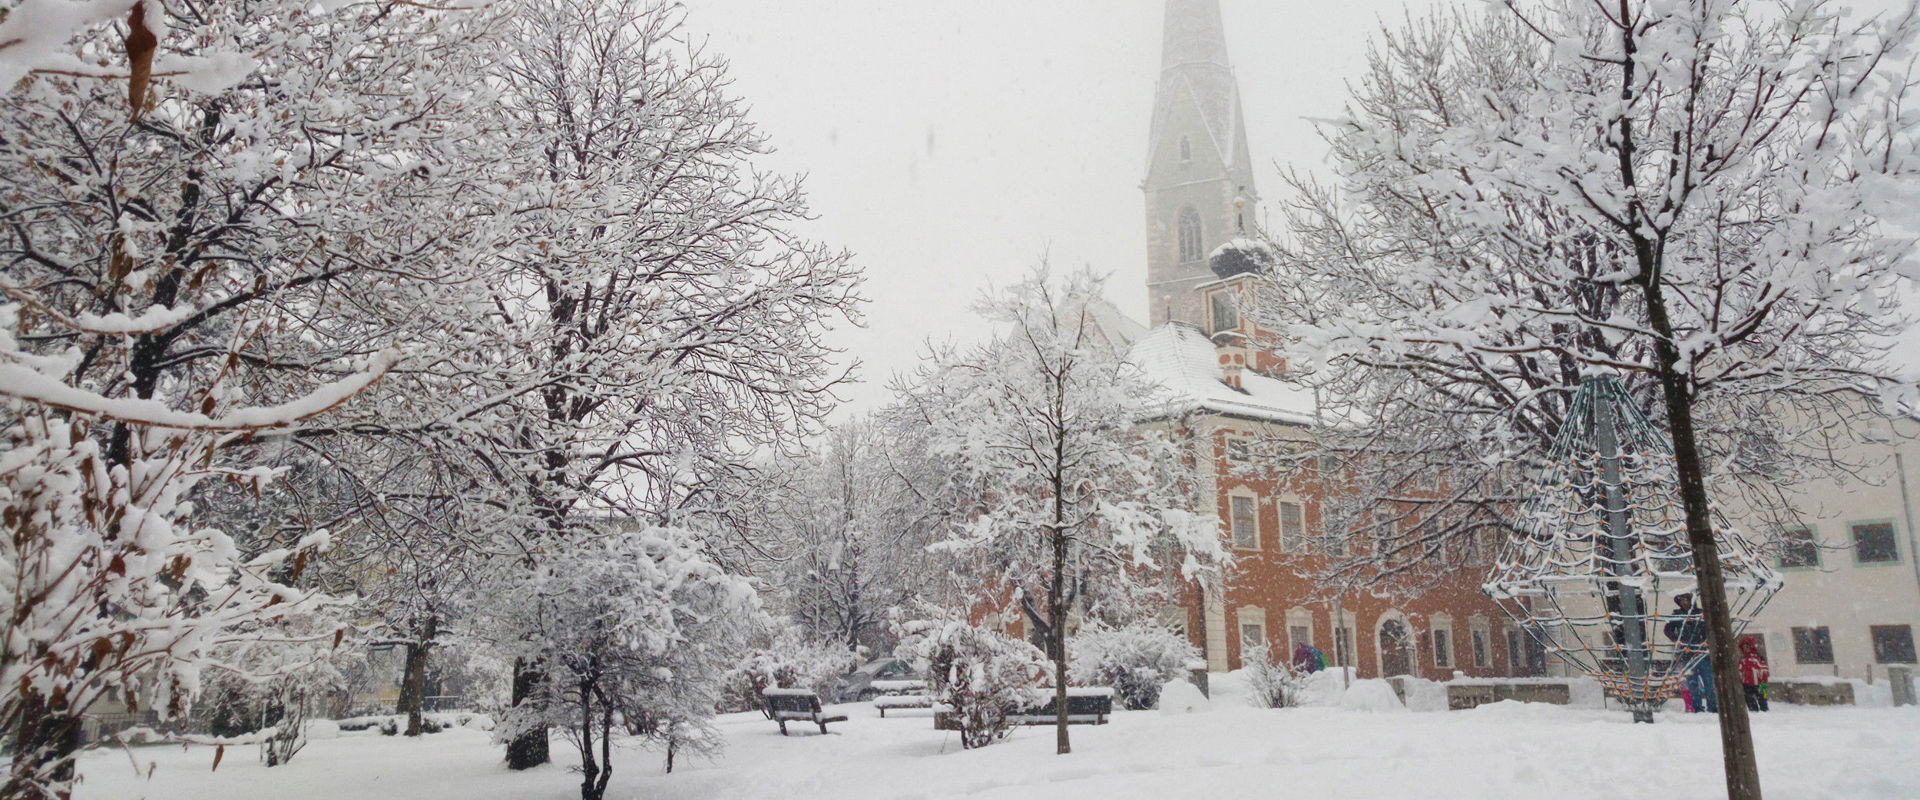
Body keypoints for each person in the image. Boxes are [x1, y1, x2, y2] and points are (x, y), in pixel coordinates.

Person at [1663, 593, 1716, 713]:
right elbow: (1667, 630)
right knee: (1692, 683)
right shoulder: (1677, 615)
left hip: (1703, 653)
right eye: (1682, 600)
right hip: (1687, 654)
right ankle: (1697, 707)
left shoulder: (1701, 613)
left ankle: (1713, 706)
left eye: (1687, 600)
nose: (1685, 603)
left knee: (1709, 681)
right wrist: (1678, 640)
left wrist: (1707, 640)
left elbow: (1711, 628)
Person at [1739, 637, 1770, 712]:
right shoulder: (1743, 659)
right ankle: (1754, 712)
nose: (1745, 649)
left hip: (1760, 683)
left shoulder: (1758, 658)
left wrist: (1763, 684)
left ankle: (1765, 712)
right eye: (1744, 647)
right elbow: (1740, 670)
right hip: (1747, 684)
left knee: (1763, 700)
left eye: (1747, 647)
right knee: (1749, 700)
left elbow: (1764, 671)